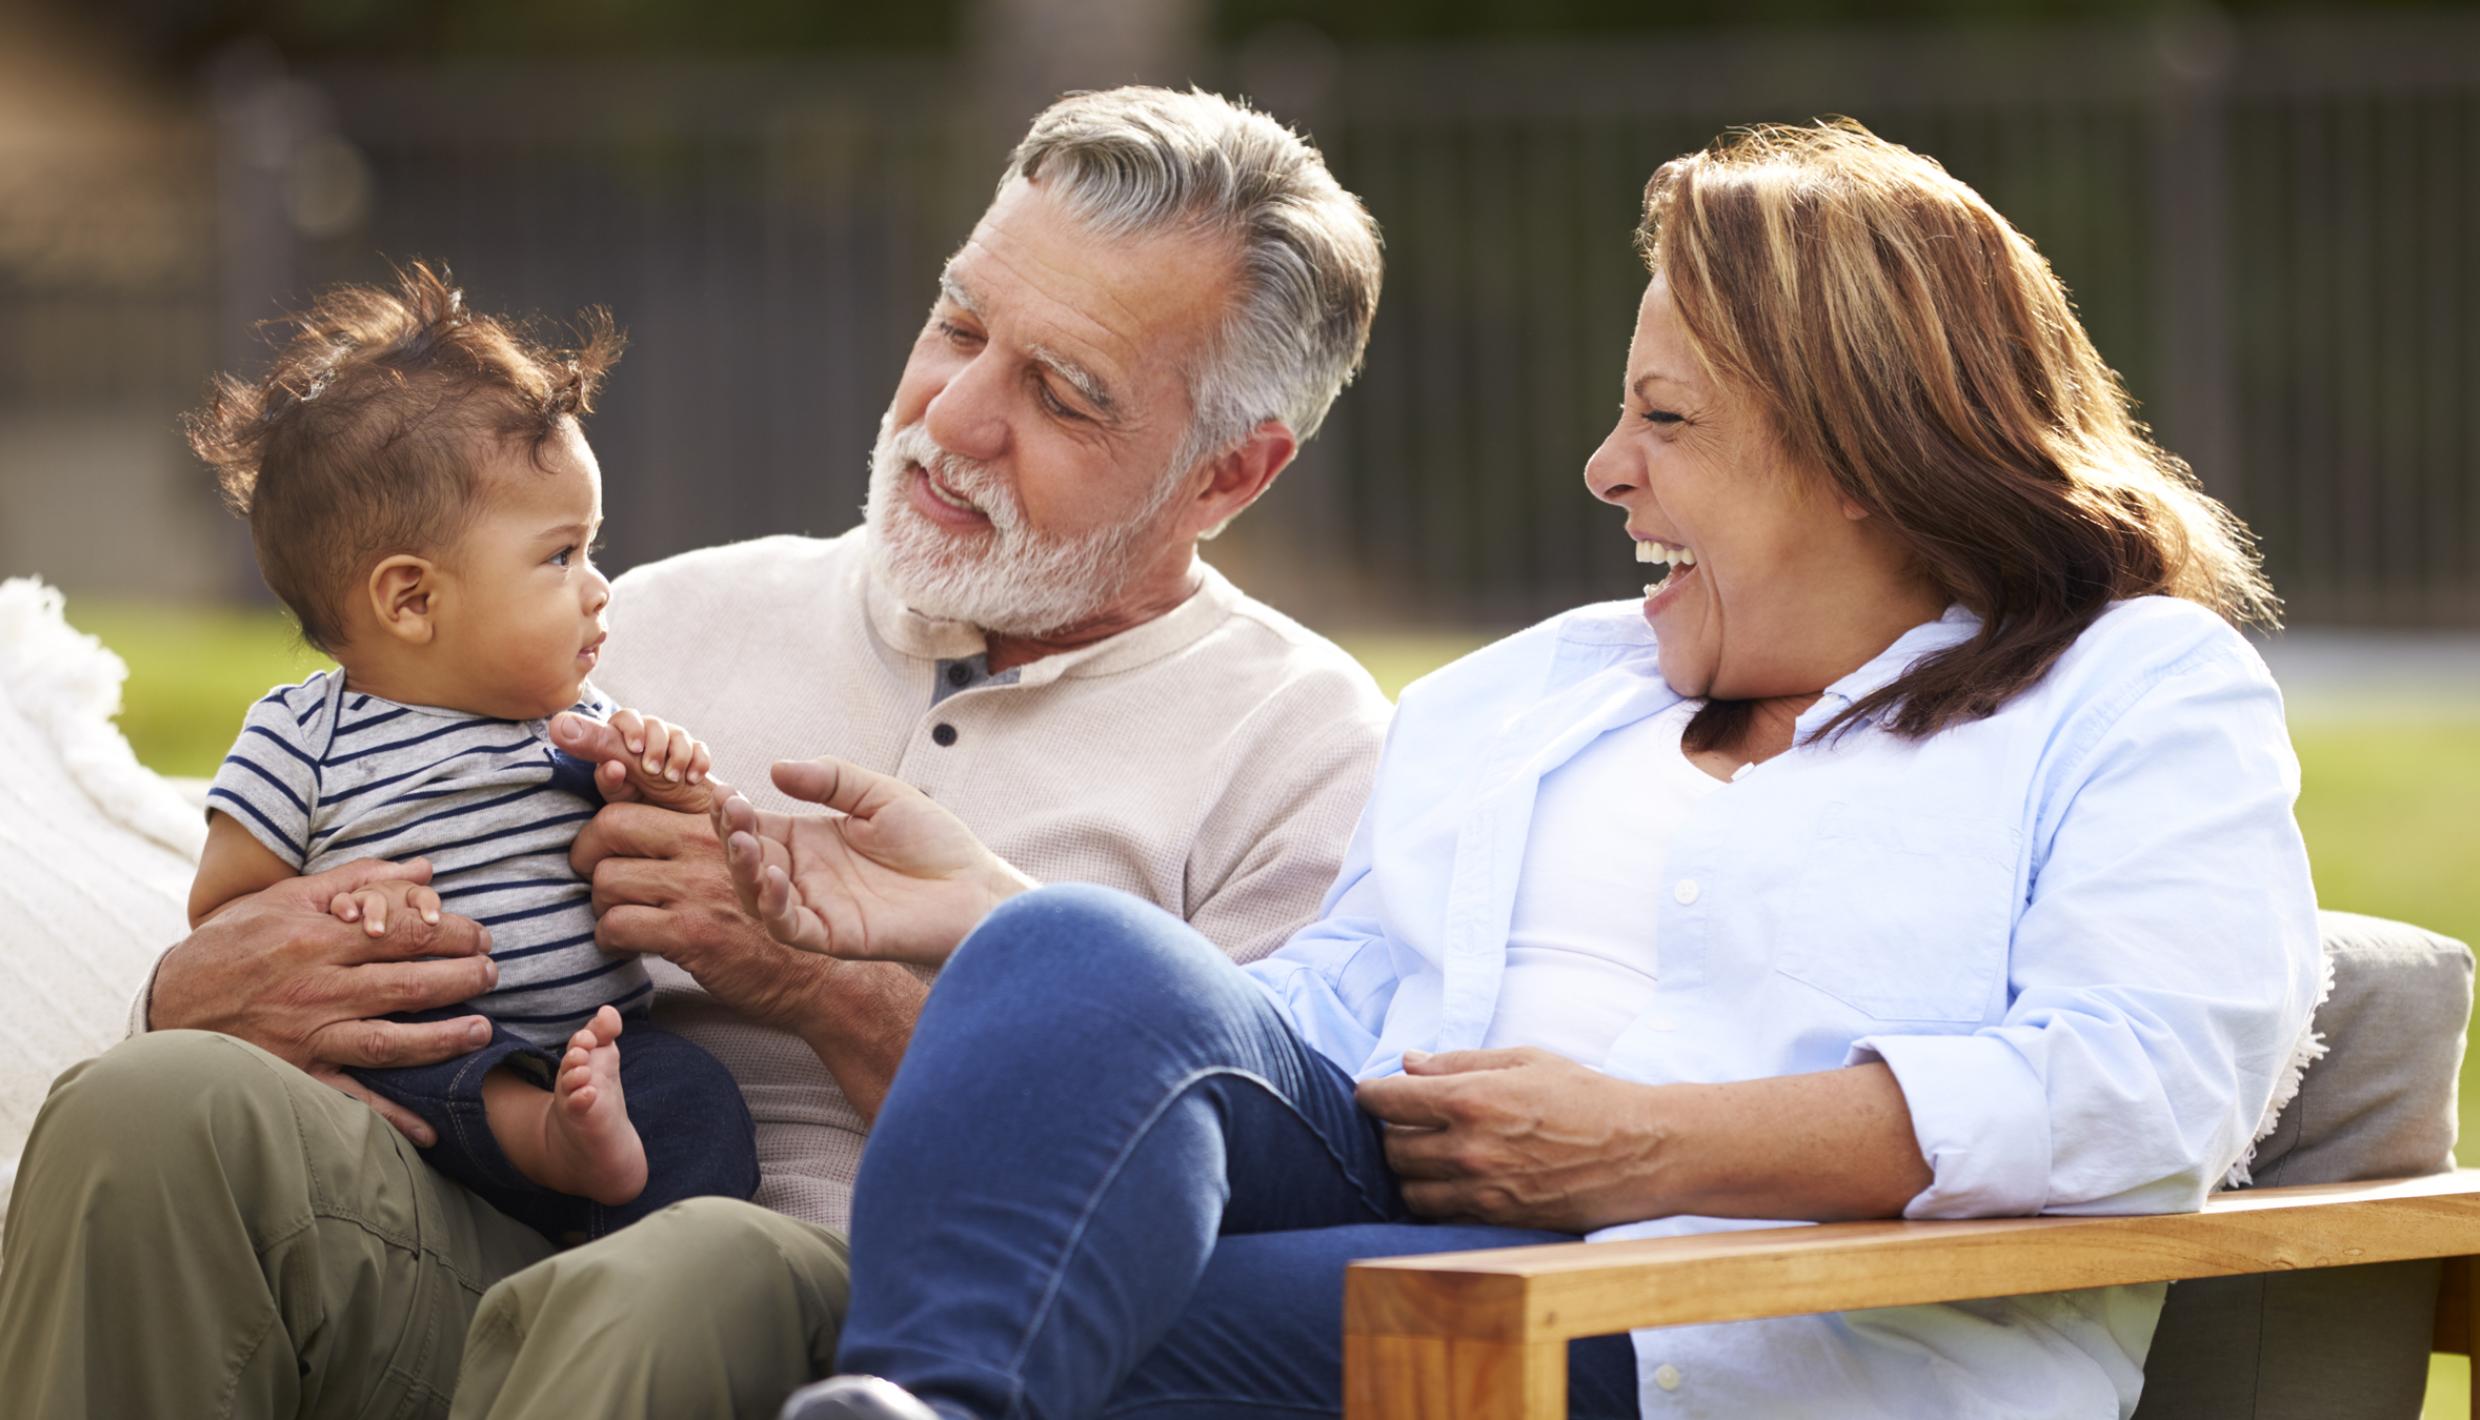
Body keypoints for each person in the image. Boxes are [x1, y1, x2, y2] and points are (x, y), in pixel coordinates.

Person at [723, 120, 2324, 1420]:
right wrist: (1003, 923)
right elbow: (1337, 1010)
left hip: (1752, 1343)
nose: (1606, 466)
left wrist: (1652, 1147)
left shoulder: (2131, 689)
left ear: (1860, 454)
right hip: (1407, 1209)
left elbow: (2148, 1084)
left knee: (1107, 1324)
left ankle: (921, 1396)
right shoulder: (1542, 689)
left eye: (1666, 418)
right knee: (1069, 949)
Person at [0, 86, 1391, 1420]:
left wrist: (803, 979)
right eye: (958, 325)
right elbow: (311, 833)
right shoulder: (635, 617)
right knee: (153, 1105)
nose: (953, 417)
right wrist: (212, 984)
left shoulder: (1306, 756)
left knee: (681, 1275)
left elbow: (1226, 1224)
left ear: (1230, 472)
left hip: (860, 1320)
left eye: (1066, 393)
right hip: (482, 1235)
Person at [181, 263, 755, 1241]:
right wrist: (350, 904)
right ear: (412, 599)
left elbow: (662, 845)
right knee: (422, 1075)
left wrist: (662, 778)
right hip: (432, 1065)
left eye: (592, 549)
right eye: (560, 554)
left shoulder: (570, 719)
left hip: (600, 1044)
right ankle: (554, 1146)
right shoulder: (301, 738)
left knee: (699, 1098)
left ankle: (628, 1274)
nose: (598, 586)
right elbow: (223, 918)